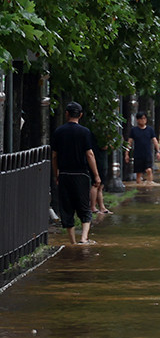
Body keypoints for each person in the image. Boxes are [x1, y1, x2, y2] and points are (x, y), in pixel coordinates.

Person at [51, 102, 102, 244]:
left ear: (67, 114)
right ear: (80, 115)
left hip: (65, 174)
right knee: (84, 206)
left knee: (66, 207)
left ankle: (72, 241)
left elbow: (54, 156)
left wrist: (57, 174)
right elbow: (89, 154)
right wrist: (96, 175)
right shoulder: (85, 132)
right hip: (81, 174)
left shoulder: (58, 132)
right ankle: (84, 238)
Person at [124, 111, 160, 183]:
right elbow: (129, 142)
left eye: (144, 118)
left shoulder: (150, 130)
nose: (143, 120)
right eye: (141, 119)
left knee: (149, 170)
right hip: (138, 155)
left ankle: (149, 184)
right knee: (138, 173)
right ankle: (140, 188)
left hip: (147, 154)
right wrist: (126, 154)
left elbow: (155, 141)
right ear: (137, 120)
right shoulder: (134, 130)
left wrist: (158, 151)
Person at [90, 128, 112, 214]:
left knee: (99, 186)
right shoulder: (100, 134)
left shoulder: (91, 132)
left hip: (99, 160)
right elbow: (105, 146)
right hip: (100, 161)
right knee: (96, 184)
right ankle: (93, 207)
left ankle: (101, 207)